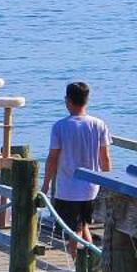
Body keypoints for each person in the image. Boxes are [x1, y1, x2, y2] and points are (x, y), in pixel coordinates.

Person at [43, 80, 112, 244]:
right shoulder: (99, 124)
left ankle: (80, 267)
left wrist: (45, 184)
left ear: (68, 100)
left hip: (68, 190)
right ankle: (89, 263)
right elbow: (105, 158)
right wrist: (108, 183)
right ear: (86, 100)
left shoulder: (60, 126)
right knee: (83, 226)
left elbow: (52, 158)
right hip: (91, 189)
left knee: (73, 235)